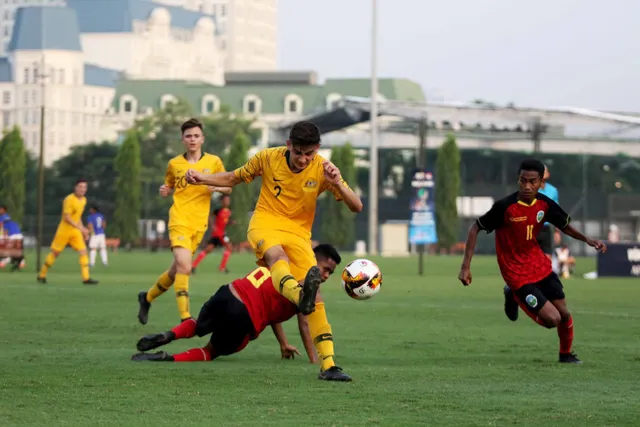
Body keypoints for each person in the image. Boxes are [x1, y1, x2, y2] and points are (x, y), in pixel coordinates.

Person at [184, 120, 362, 377]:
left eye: (309, 153)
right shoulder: (268, 158)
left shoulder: (323, 169)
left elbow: (356, 206)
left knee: (318, 299)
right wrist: (202, 178)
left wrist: (339, 184)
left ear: (317, 149)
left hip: (299, 234)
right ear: (288, 144)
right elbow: (233, 178)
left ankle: (329, 365)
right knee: (277, 257)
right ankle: (300, 296)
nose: (303, 159)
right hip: (265, 224)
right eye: (298, 152)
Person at [458, 159, 606, 364]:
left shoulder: (545, 204)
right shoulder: (505, 207)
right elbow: (475, 228)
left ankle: (566, 355)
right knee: (552, 320)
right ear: (518, 180)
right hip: (516, 273)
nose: (527, 186)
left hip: (539, 266)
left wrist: (588, 239)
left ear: (540, 182)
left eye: (532, 182)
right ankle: (512, 293)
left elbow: (564, 225)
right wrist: (466, 267)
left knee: (563, 313)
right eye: (523, 181)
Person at [131, 244, 351, 382]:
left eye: (330, 273)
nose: (326, 275)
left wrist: (283, 344)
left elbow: (273, 310)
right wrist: (315, 360)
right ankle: (168, 359)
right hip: (246, 316)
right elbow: (305, 324)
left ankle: (168, 335)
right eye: (325, 269)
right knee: (211, 351)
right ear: (314, 261)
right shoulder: (308, 288)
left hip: (228, 292)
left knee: (199, 325)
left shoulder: (281, 260)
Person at [137, 118, 229, 325]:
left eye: (196, 136)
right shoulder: (174, 163)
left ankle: (147, 297)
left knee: (175, 270)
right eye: (188, 136)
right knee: (185, 266)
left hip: (199, 224)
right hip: (179, 219)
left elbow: (228, 187)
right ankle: (186, 318)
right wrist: (165, 189)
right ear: (183, 139)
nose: (192, 139)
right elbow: (169, 184)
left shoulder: (213, 162)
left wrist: (215, 186)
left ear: (202, 139)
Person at [37, 179, 98, 285]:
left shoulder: (84, 200)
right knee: (55, 253)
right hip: (64, 230)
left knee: (83, 251)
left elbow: (77, 217)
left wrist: (83, 230)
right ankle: (42, 275)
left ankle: (86, 278)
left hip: (75, 231)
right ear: (75, 187)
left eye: (84, 187)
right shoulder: (69, 199)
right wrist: (82, 229)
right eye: (80, 187)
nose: (82, 189)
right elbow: (67, 218)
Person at [191, 194, 234, 274]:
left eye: (228, 200)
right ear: (222, 201)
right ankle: (222, 267)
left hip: (221, 233)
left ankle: (193, 265)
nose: (227, 201)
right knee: (229, 247)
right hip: (218, 233)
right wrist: (213, 225)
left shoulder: (228, 211)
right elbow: (210, 217)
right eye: (226, 200)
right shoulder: (218, 210)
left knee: (209, 249)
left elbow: (225, 221)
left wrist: (231, 222)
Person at [537, 164, 559, 260]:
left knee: (547, 258)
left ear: (548, 174)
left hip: (546, 229)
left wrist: (557, 232)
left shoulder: (553, 190)